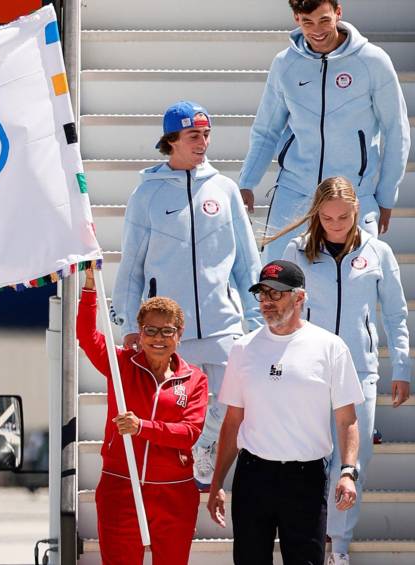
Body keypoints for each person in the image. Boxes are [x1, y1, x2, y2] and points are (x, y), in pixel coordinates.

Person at [111, 100, 262, 487]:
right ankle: (179, 472)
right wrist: (129, 324)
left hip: (223, 320)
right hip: (171, 331)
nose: (204, 143)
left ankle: (207, 446)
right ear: (171, 140)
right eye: (194, 136)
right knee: (180, 408)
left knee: (235, 399)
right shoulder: (146, 195)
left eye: (207, 135)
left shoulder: (225, 190)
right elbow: (132, 268)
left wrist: (257, 317)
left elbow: (246, 261)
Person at [272, 176, 411, 565]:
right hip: (308, 370)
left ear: (356, 212)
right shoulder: (296, 251)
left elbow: (396, 314)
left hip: (359, 369)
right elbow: (279, 311)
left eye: (344, 217)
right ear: (316, 214)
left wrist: (403, 365)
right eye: (328, 218)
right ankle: (310, 541)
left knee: (350, 462)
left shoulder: (377, 252)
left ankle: (340, 548)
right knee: (308, 462)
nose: (336, 225)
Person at [206, 260, 365, 565]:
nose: (267, 302)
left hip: (306, 479)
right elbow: (232, 421)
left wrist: (347, 473)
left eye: (276, 294)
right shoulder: (243, 348)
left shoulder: (330, 347)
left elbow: (347, 420)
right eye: (262, 294)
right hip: (253, 475)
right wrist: (216, 484)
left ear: (299, 297)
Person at [238, 0, 411, 262]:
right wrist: (247, 181)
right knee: (278, 284)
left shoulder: (372, 61)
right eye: (307, 22)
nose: (316, 30)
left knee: (354, 286)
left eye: (324, 20)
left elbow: (397, 132)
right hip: (294, 194)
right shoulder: (285, 64)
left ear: (338, 13)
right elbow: (266, 129)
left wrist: (386, 196)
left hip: (353, 195)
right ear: (296, 18)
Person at [78, 268, 209, 565]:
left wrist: (142, 427)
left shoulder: (194, 378)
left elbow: (189, 433)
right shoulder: (121, 364)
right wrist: (89, 285)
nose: (158, 338)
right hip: (120, 485)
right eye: (150, 330)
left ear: (179, 334)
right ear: (140, 331)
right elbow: (86, 334)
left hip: (174, 493)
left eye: (167, 331)